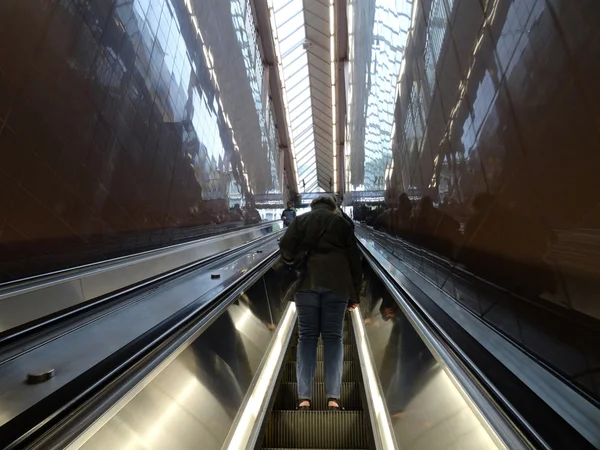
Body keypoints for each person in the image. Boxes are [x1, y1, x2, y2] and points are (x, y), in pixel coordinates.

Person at [279, 195, 362, 410]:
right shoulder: (342, 223)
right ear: (333, 207)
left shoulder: (302, 220)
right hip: (338, 286)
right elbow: (355, 259)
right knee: (333, 338)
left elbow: (285, 246)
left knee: (307, 337)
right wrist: (355, 294)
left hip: (306, 284)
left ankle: (304, 398)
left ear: (313, 206)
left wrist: (293, 260)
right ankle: (333, 399)